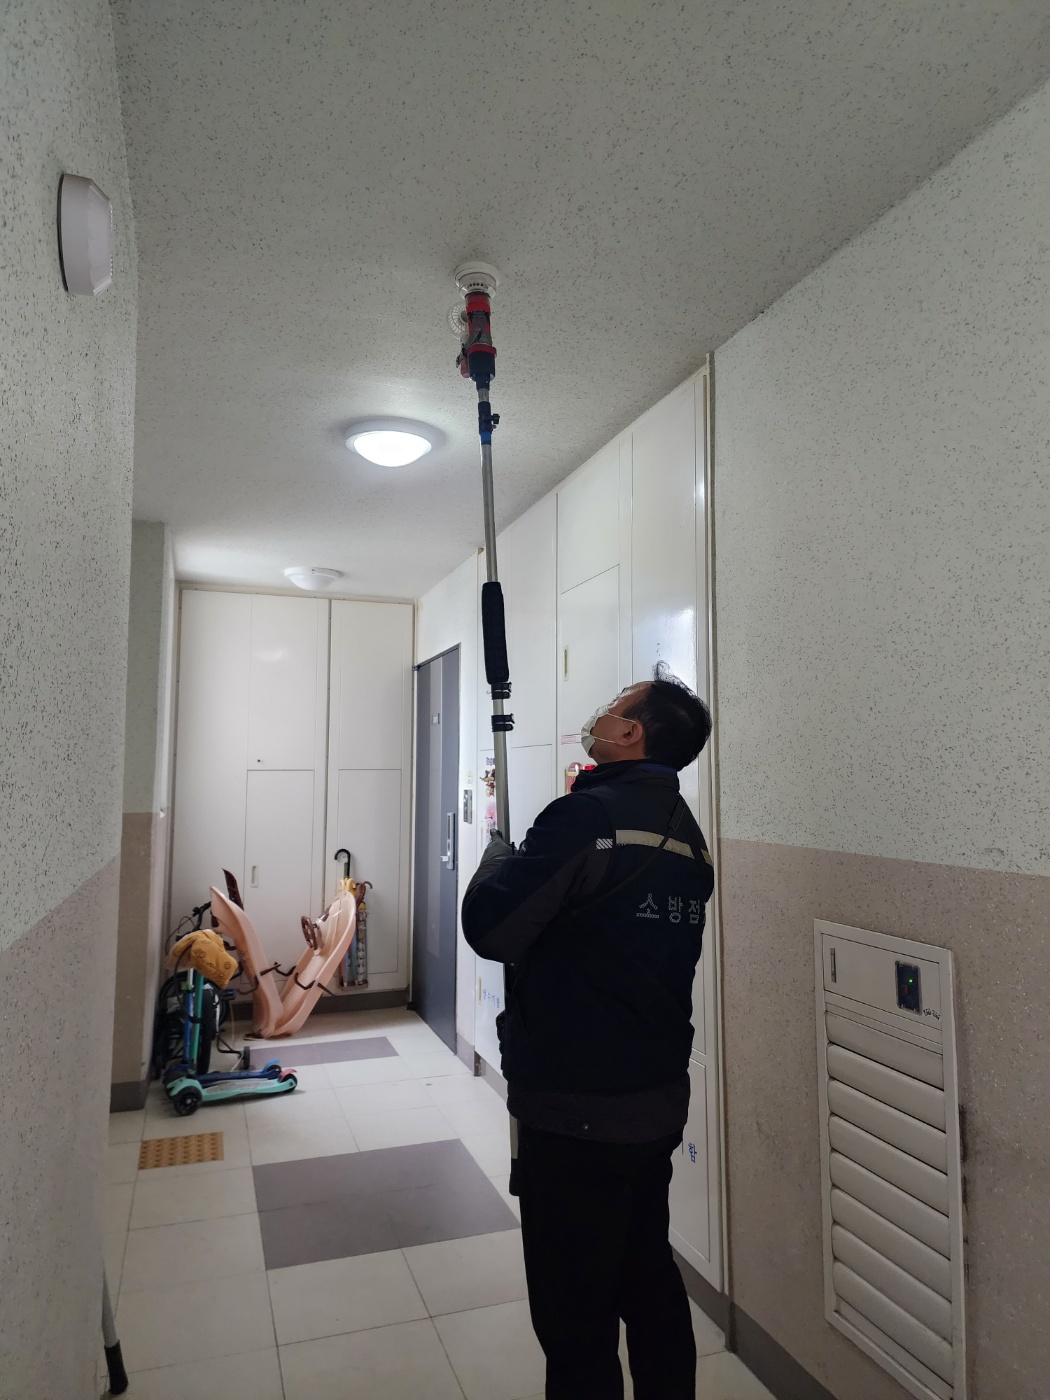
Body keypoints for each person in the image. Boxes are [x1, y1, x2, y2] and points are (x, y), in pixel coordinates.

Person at [462, 665, 715, 1400]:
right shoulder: (687, 835)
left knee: (575, 1311)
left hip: (575, 1108)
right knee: (648, 1275)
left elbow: (493, 928)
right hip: (654, 1101)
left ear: (630, 733)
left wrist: (498, 859)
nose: (599, 716)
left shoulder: (584, 818)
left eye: (613, 708)